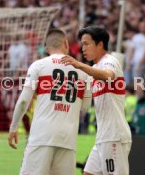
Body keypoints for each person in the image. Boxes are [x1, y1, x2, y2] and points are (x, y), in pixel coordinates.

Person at [8, 29, 92, 175]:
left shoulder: (38, 66)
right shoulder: (84, 72)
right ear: (66, 44)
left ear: (46, 49)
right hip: (68, 139)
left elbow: (23, 102)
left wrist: (13, 127)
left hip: (42, 136)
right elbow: (85, 108)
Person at [61, 26, 132, 175]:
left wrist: (79, 64)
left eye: (86, 44)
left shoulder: (109, 61)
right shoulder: (94, 68)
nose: (83, 49)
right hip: (102, 137)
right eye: (82, 44)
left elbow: (107, 76)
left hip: (114, 135)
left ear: (100, 44)